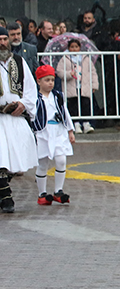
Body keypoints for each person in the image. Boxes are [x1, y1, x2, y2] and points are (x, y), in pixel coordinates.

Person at [0, 26, 39, 214]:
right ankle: (6, 197)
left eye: (4, 39)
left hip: (15, 117)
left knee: (19, 159)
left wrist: (23, 104)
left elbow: (31, 89)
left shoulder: (19, 61)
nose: (2, 43)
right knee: (1, 159)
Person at [32, 65, 75, 205]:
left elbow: (65, 113)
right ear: (39, 81)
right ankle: (42, 194)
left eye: (52, 80)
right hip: (42, 132)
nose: (50, 83)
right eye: (47, 80)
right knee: (43, 163)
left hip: (58, 130)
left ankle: (58, 191)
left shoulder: (58, 96)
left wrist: (70, 130)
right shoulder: (34, 98)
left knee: (61, 160)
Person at [56, 39, 99, 134]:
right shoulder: (64, 59)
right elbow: (59, 72)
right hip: (71, 86)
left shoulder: (86, 58)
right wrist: (69, 74)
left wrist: (94, 85)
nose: (74, 49)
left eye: (76, 47)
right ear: (68, 48)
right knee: (73, 105)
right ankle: (76, 124)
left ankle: (86, 124)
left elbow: (92, 72)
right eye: (72, 47)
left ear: (80, 48)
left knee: (86, 104)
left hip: (84, 85)